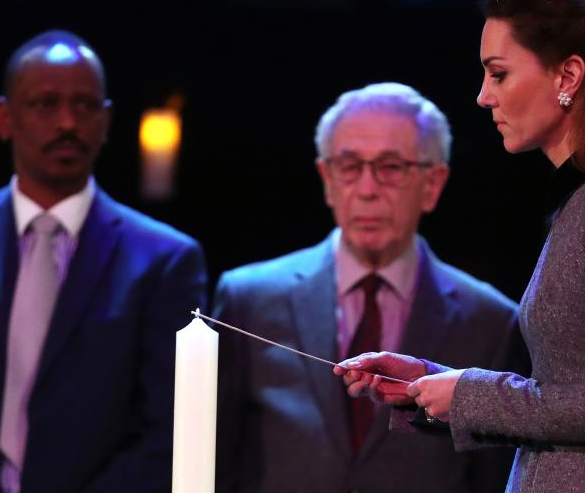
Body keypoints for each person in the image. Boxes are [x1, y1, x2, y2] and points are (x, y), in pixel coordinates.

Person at [336, 0, 585, 493]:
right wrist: (431, 384)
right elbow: (563, 400)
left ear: (568, 76)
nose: (483, 97)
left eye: (499, 73)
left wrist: (469, 392)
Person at [0, 30, 208, 493]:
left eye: (85, 106)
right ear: (5, 118)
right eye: (45, 104)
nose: (67, 123)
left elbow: (169, 430)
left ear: (107, 120)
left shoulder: (164, 260)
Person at [213, 82, 526, 493]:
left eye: (391, 167)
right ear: (326, 179)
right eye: (348, 166)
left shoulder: (491, 321)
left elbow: (495, 475)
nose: (366, 189)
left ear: (432, 184)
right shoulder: (248, 299)